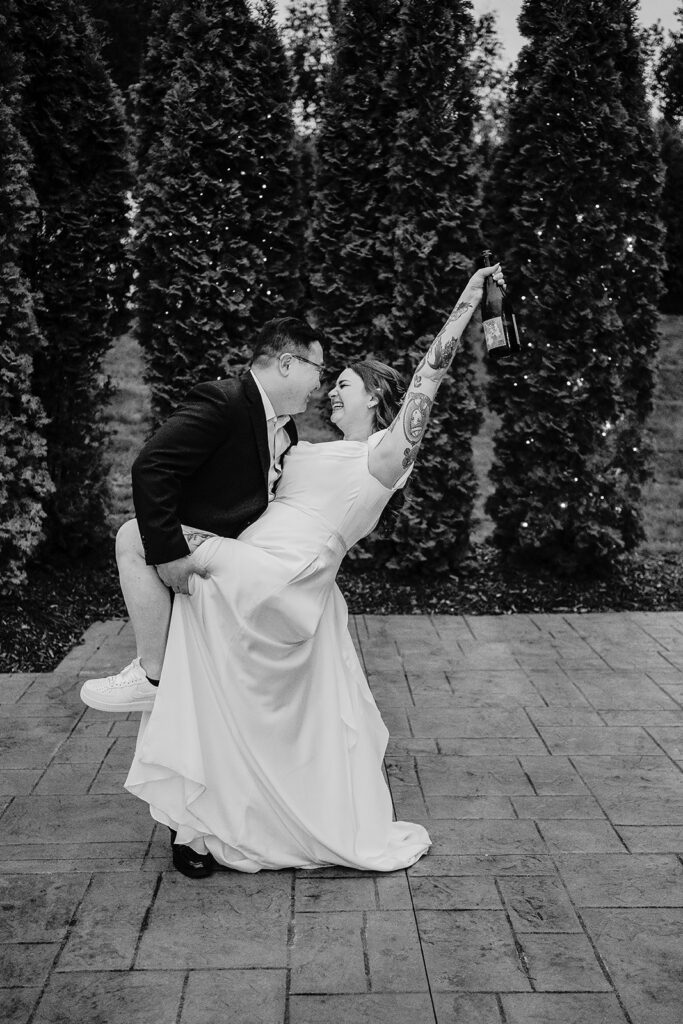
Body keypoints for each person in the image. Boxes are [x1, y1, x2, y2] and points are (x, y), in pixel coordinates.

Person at [119, 262, 505, 879]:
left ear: (377, 398)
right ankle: (203, 827)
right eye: (330, 377)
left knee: (138, 537)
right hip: (252, 568)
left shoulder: (383, 458)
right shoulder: (302, 443)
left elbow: (429, 376)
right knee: (222, 696)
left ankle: (149, 679)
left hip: (283, 576)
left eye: (344, 383)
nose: (332, 388)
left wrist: (467, 303)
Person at [80, 317, 325, 714]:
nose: (319, 383)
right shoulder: (223, 401)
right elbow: (152, 467)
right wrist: (170, 554)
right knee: (132, 535)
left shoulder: (286, 430)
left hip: (251, 559)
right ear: (286, 362)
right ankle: (152, 675)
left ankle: (157, 677)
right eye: (317, 369)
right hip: (213, 555)